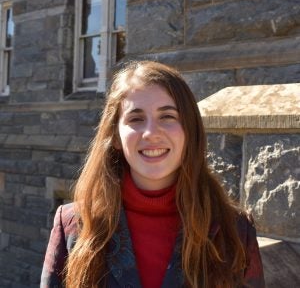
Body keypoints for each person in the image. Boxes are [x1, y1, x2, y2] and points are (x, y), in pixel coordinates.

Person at [41, 61, 265, 288]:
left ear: (189, 130)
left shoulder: (235, 230)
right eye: (135, 119)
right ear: (116, 137)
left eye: (167, 116)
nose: (150, 133)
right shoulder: (73, 223)